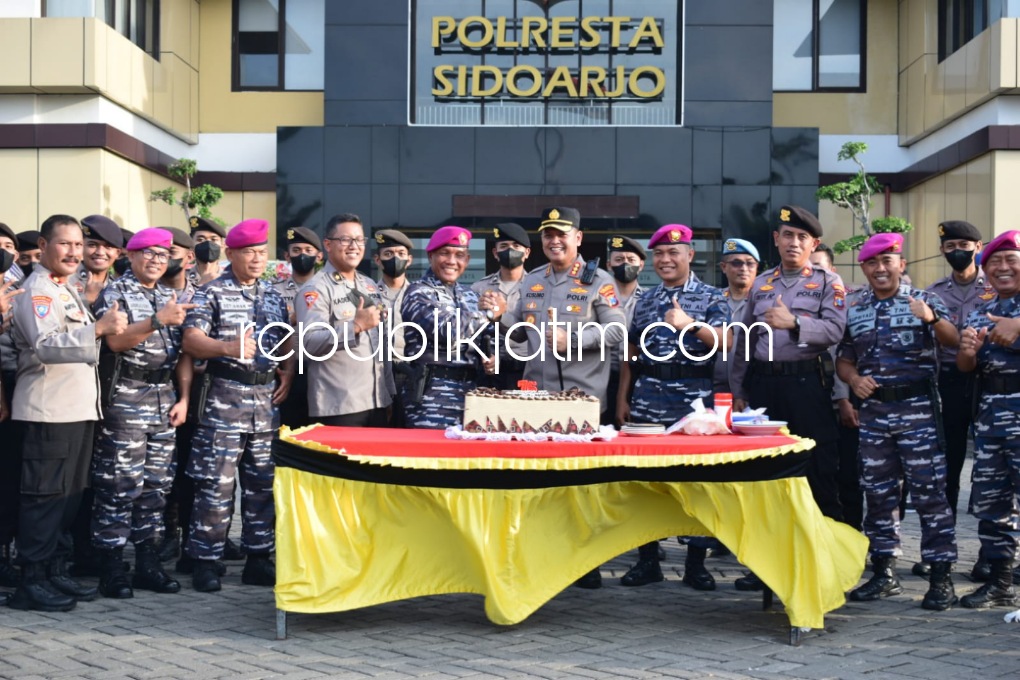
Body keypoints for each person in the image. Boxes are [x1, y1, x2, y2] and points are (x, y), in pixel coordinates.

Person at [6, 215, 128, 612]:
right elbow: (45, 346)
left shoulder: (66, 289)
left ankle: (55, 569)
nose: (75, 252)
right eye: (66, 244)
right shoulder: (37, 291)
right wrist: (96, 330)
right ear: (43, 245)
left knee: (68, 497)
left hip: (75, 410)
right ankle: (31, 580)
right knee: (43, 498)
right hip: (47, 410)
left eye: (79, 245)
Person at [502, 206, 627, 589]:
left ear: (577, 237)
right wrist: (501, 320)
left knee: (581, 488)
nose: (554, 241)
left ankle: (585, 562)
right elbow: (517, 336)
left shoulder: (599, 281)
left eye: (562, 234)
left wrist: (573, 339)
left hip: (580, 403)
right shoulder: (531, 280)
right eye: (547, 235)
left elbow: (618, 332)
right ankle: (544, 559)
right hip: (536, 401)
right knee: (540, 486)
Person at [836, 233, 960, 610]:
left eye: (887, 261)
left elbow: (953, 340)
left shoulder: (926, 301)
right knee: (878, 494)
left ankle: (941, 577)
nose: (880, 269)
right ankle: (884, 572)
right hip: (875, 415)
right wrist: (854, 380)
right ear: (864, 269)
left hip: (919, 412)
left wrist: (933, 318)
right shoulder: (854, 307)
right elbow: (844, 358)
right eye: (872, 263)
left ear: (901, 265)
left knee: (930, 495)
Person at [730, 205, 847, 591]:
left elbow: (834, 330)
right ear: (776, 241)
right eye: (787, 235)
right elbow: (744, 341)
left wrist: (795, 322)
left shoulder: (830, 282)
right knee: (764, 477)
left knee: (816, 473)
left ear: (814, 243)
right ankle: (765, 566)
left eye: (802, 237)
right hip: (764, 389)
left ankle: (821, 562)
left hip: (806, 387)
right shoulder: (761, 283)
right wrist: (739, 390)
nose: (793, 242)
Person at [181, 218, 294, 592]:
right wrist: (226, 348)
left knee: (262, 485)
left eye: (262, 252)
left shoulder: (273, 295)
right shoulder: (210, 293)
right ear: (231, 254)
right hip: (224, 403)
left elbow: (287, 340)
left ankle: (259, 558)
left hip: (265, 405)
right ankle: (206, 560)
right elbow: (192, 341)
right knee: (215, 486)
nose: (257, 259)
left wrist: (288, 371)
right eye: (250, 252)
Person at [616, 224, 730, 591]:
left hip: (693, 401)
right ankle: (648, 560)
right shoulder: (646, 300)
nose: (666, 260)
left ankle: (696, 564)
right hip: (648, 397)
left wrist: (691, 324)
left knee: (696, 483)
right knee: (646, 483)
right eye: (660, 254)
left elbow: (726, 341)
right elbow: (631, 355)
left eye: (673, 253)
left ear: (690, 256)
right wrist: (623, 397)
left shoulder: (712, 297)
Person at [90, 228, 196, 599]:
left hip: (164, 398)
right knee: (119, 485)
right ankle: (112, 565)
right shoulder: (117, 292)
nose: (155, 260)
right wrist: (157, 320)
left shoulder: (169, 295)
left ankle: (147, 562)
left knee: (156, 486)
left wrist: (183, 398)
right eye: (147, 253)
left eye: (162, 255)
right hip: (126, 399)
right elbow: (115, 341)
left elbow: (183, 352)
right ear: (130, 257)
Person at [925, 220, 995, 580]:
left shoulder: (996, 286)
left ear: (978, 245)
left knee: (991, 470)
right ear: (942, 250)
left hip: (990, 385)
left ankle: (990, 553)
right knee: (946, 469)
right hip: (949, 384)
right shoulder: (932, 293)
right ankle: (942, 550)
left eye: (965, 244)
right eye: (951, 244)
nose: (958, 250)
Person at [956, 230, 1020, 609]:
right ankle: (1000, 581)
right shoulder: (982, 307)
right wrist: (967, 350)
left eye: (1010, 258)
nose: (1002, 266)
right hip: (992, 416)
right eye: (994, 261)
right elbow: (968, 367)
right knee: (993, 502)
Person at [296, 214, 393, 427]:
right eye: (345, 239)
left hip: (376, 401)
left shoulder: (368, 285)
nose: (354, 246)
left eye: (359, 240)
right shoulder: (316, 289)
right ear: (328, 245)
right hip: (340, 406)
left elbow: (379, 345)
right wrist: (355, 326)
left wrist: (388, 394)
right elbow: (308, 343)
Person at [400, 226, 502, 428]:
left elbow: (487, 337)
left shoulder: (470, 295)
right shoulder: (418, 292)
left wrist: (493, 357)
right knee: (431, 458)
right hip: (431, 399)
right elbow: (449, 330)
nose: (452, 261)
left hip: (472, 398)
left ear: (467, 260)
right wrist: (490, 314)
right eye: (444, 253)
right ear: (431, 256)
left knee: (465, 460)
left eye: (459, 255)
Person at [811, 243, 864, 531]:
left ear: (832, 270)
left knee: (848, 473)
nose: (814, 273)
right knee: (820, 471)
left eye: (819, 267)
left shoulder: (850, 300)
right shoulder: (798, 300)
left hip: (849, 396)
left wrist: (844, 399)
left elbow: (840, 352)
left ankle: (853, 532)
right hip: (814, 396)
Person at [472, 222, 532, 389]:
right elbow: (470, 332)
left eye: (516, 246)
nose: (510, 250)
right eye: (504, 246)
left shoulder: (538, 287)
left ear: (526, 253)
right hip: (488, 371)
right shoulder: (479, 288)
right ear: (495, 253)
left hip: (525, 370)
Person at [275, 226, 323, 430]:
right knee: (289, 428)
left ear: (319, 256)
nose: (302, 255)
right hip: (287, 368)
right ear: (287, 256)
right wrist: (289, 320)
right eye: (296, 250)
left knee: (319, 430)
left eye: (308, 250)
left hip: (320, 367)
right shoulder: (274, 291)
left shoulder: (327, 289)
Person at [0, 223, 25, 590]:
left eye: (7, 246)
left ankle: (5, 555)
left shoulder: (21, 288)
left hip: (14, 384)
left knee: (9, 478)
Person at [604, 235, 647, 427]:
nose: (625, 264)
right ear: (609, 265)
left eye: (631, 260)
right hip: (601, 377)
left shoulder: (649, 299)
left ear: (641, 265)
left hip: (636, 379)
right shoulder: (598, 298)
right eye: (619, 260)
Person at [373, 229, 414, 426]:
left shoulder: (419, 295)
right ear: (377, 260)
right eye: (388, 254)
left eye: (400, 254)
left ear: (409, 260)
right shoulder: (366, 294)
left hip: (410, 373)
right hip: (376, 375)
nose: (395, 259)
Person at [713, 238, 759, 394]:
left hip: (752, 389)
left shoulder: (765, 302)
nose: (744, 268)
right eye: (737, 263)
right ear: (724, 267)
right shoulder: (711, 301)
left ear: (756, 268)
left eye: (750, 263)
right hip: (714, 389)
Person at [74, 215, 124, 307]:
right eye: (92, 245)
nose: (100, 252)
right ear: (81, 247)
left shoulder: (120, 287)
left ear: (117, 253)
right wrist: (87, 299)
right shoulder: (66, 280)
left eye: (108, 247)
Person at [188, 216, 227, 286]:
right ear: (191, 246)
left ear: (222, 247)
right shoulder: (182, 278)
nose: (208, 244)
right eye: (200, 240)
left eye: (214, 240)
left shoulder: (231, 278)